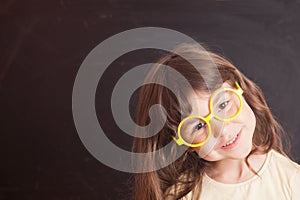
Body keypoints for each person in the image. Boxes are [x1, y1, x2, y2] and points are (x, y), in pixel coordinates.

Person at [132, 43, 300, 200]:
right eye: (199, 126)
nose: (223, 131)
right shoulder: (182, 195)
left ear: (240, 89)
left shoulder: (291, 179)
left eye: (223, 105)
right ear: (185, 143)